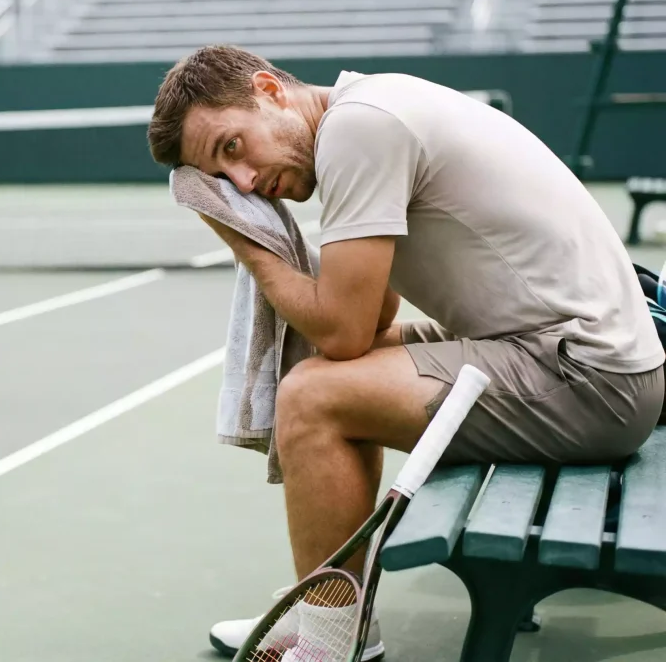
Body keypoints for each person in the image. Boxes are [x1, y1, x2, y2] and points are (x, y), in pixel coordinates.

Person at [146, 45, 666, 658]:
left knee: (315, 397)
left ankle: (334, 637)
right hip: (573, 355)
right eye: (220, 181)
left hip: (591, 378)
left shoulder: (360, 130)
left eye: (232, 148)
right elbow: (366, 328)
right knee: (330, 368)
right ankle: (327, 604)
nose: (244, 183)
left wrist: (244, 241)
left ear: (269, 89)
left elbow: (342, 330)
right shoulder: (369, 106)